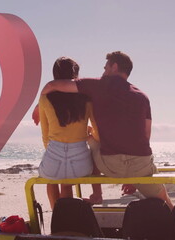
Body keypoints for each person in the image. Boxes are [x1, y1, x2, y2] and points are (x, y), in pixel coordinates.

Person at [41, 51, 175, 211]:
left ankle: (79, 204)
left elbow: (51, 88)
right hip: (140, 164)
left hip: (100, 164)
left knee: (85, 151)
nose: (103, 72)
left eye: (105, 68)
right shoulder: (142, 97)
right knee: (166, 201)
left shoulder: (96, 85)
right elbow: (145, 136)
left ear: (114, 67)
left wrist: (39, 104)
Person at [38, 57, 102, 209]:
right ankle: (66, 216)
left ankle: (57, 217)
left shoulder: (45, 98)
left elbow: (45, 134)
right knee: (67, 184)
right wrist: (90, 134)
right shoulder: (87, 99)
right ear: (75, 75)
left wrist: (55, 151)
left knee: (51, 179)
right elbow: (97, 129)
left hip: (53, 157)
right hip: (79, 162)